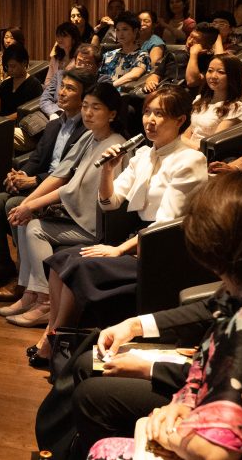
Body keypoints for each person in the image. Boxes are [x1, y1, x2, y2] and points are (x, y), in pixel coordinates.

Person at [71, 139, 242, 458]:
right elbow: (217, 326)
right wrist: (139, 331)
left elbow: (218, 450)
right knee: (91, 356)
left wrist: (168, 429)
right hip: (218, 390)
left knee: (96, 415)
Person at [38, 85, 208, 360]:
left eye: (160, 114)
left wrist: (118, 250)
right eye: (147, 112)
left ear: (180, 120)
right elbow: (110, 203)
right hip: (139, 240)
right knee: (61, 260)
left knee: (78, 264)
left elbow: (165, 225)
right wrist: (107, 170)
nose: (150, 120)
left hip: (164, 251)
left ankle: (54, 341)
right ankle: (55, 334)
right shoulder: (143, 155)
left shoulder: (190, 160)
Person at [0, 82, 126, 329]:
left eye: (96, 108)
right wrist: (27, 203)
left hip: (94, 223)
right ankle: (30, 294)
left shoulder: (115, 146)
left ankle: (46, 302)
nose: (88, 113)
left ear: (112, 114)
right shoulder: (90, 136)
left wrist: (31, 206)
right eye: (86, 106)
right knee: (27, 220)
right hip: (76, 214)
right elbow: (61, 173)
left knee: (35, 227)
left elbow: (71, 190)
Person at [0, 70, 89, 291]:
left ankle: (24, 275)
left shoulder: (87, 129)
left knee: (13, 204)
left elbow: (73, 172)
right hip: (39, 182)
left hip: (59, 189)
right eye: (62, 87)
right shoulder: (54, 124)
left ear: (84, 98)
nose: (62, 93)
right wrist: (19, 174)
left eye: (70, 89)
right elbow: (36, 158)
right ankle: (1, 265)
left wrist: (35, 180)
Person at [180, 54, 242, 149]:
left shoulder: (235, 107)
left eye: (221, 72)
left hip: (204, 155)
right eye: (210, 71)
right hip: (187, 148)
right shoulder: (200, 100)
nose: (213, 76)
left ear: (233, 76)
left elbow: (211, 146)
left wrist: (179, 141)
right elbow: (189, 131)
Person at [40, 44, 108, 119]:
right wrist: (55, 113)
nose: (82, 67)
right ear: (75, 61)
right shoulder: (61, 75)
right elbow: (45, 99)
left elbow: (95, 106)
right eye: (79, 62)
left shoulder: (103, 81)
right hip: (55, 116)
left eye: (88, 64)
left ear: (98, 65)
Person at [98, 13, 150, 90]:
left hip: (124, 96)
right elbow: (99, 76)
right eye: (118, 30)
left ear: (135, 31)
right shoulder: (109, 54)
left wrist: (111, 86)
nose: (120, 34)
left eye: (125, 29)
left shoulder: (142, 55)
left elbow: (135, 74)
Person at [0, 44, 42, 119]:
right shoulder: (5, 84)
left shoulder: (34, 85)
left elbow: (27, 111)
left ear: (24, 63)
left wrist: (5, 120)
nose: (9, 70)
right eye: (7, 66)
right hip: (1, 123)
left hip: (21, 125)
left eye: (13, 66)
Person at [182, 23, 220, 90]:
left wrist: (193, 54)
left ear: (208, 46)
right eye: (190, 36)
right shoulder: (175, 54)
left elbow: (192, 82)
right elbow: (157, 75)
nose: (190, 42)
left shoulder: (211, 62)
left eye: (196, 39)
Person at [47, 22, 82, 89]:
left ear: (74, 38)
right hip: (53, 95)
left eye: (64, 36)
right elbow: (48, 81)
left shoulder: (80, 58)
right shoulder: (55, 58)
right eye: (58, 36)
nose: (60, 39)